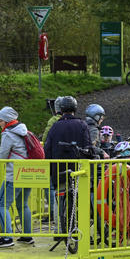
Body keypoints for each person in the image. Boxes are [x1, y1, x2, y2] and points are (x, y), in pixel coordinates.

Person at [44, 96, 92, 239]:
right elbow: (88, 146)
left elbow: (47, 149)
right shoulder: (82, 124)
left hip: (59, 168)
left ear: (61, 110)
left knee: (59, 198)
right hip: (79, 169)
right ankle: (79, 229)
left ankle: (59, 231)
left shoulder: (55, 126)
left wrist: (49, 166)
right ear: (75, 109)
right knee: (79, 198)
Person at [0, 106, 33, 248]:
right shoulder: (24, 131)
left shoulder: (8, 134)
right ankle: (27, 236)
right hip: (28, 172)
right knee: (23, 204)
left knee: (1, 204)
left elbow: (2, 155)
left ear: (6, 120)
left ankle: (7, 238)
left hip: (14, 174)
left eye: (0, 121)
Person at [41, 96, 64, 224]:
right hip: (69, 158)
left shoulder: (53, 121)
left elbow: (45, 139)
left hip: (54, 158)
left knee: (49, 186)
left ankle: (52, 213)